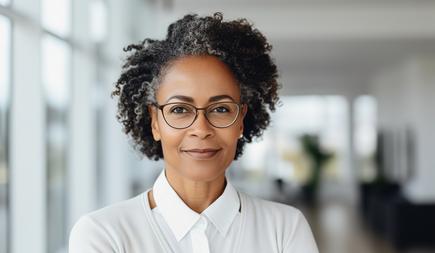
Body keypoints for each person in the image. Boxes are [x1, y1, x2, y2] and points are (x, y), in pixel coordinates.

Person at [69, 12, 319, 253]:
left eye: (220, 108)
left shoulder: (285, 228)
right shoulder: (103, 234)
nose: (201, 129)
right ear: (155, 121)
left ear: (241, 120)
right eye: (180, 109)